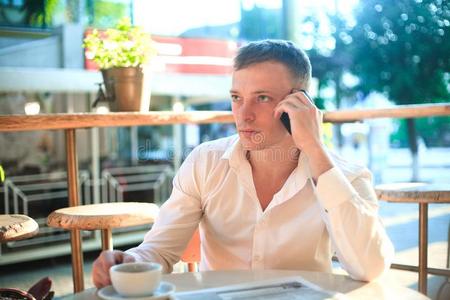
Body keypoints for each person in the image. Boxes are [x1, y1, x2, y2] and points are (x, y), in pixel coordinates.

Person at [92, 40, 395, 288]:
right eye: (237, 97)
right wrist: (129, 262)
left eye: (262, 98)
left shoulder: (346, 176)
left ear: (300, 104)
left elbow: (370, 268)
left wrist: (314, 149)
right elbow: (160, 249)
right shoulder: (205, 162)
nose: (243, 114)